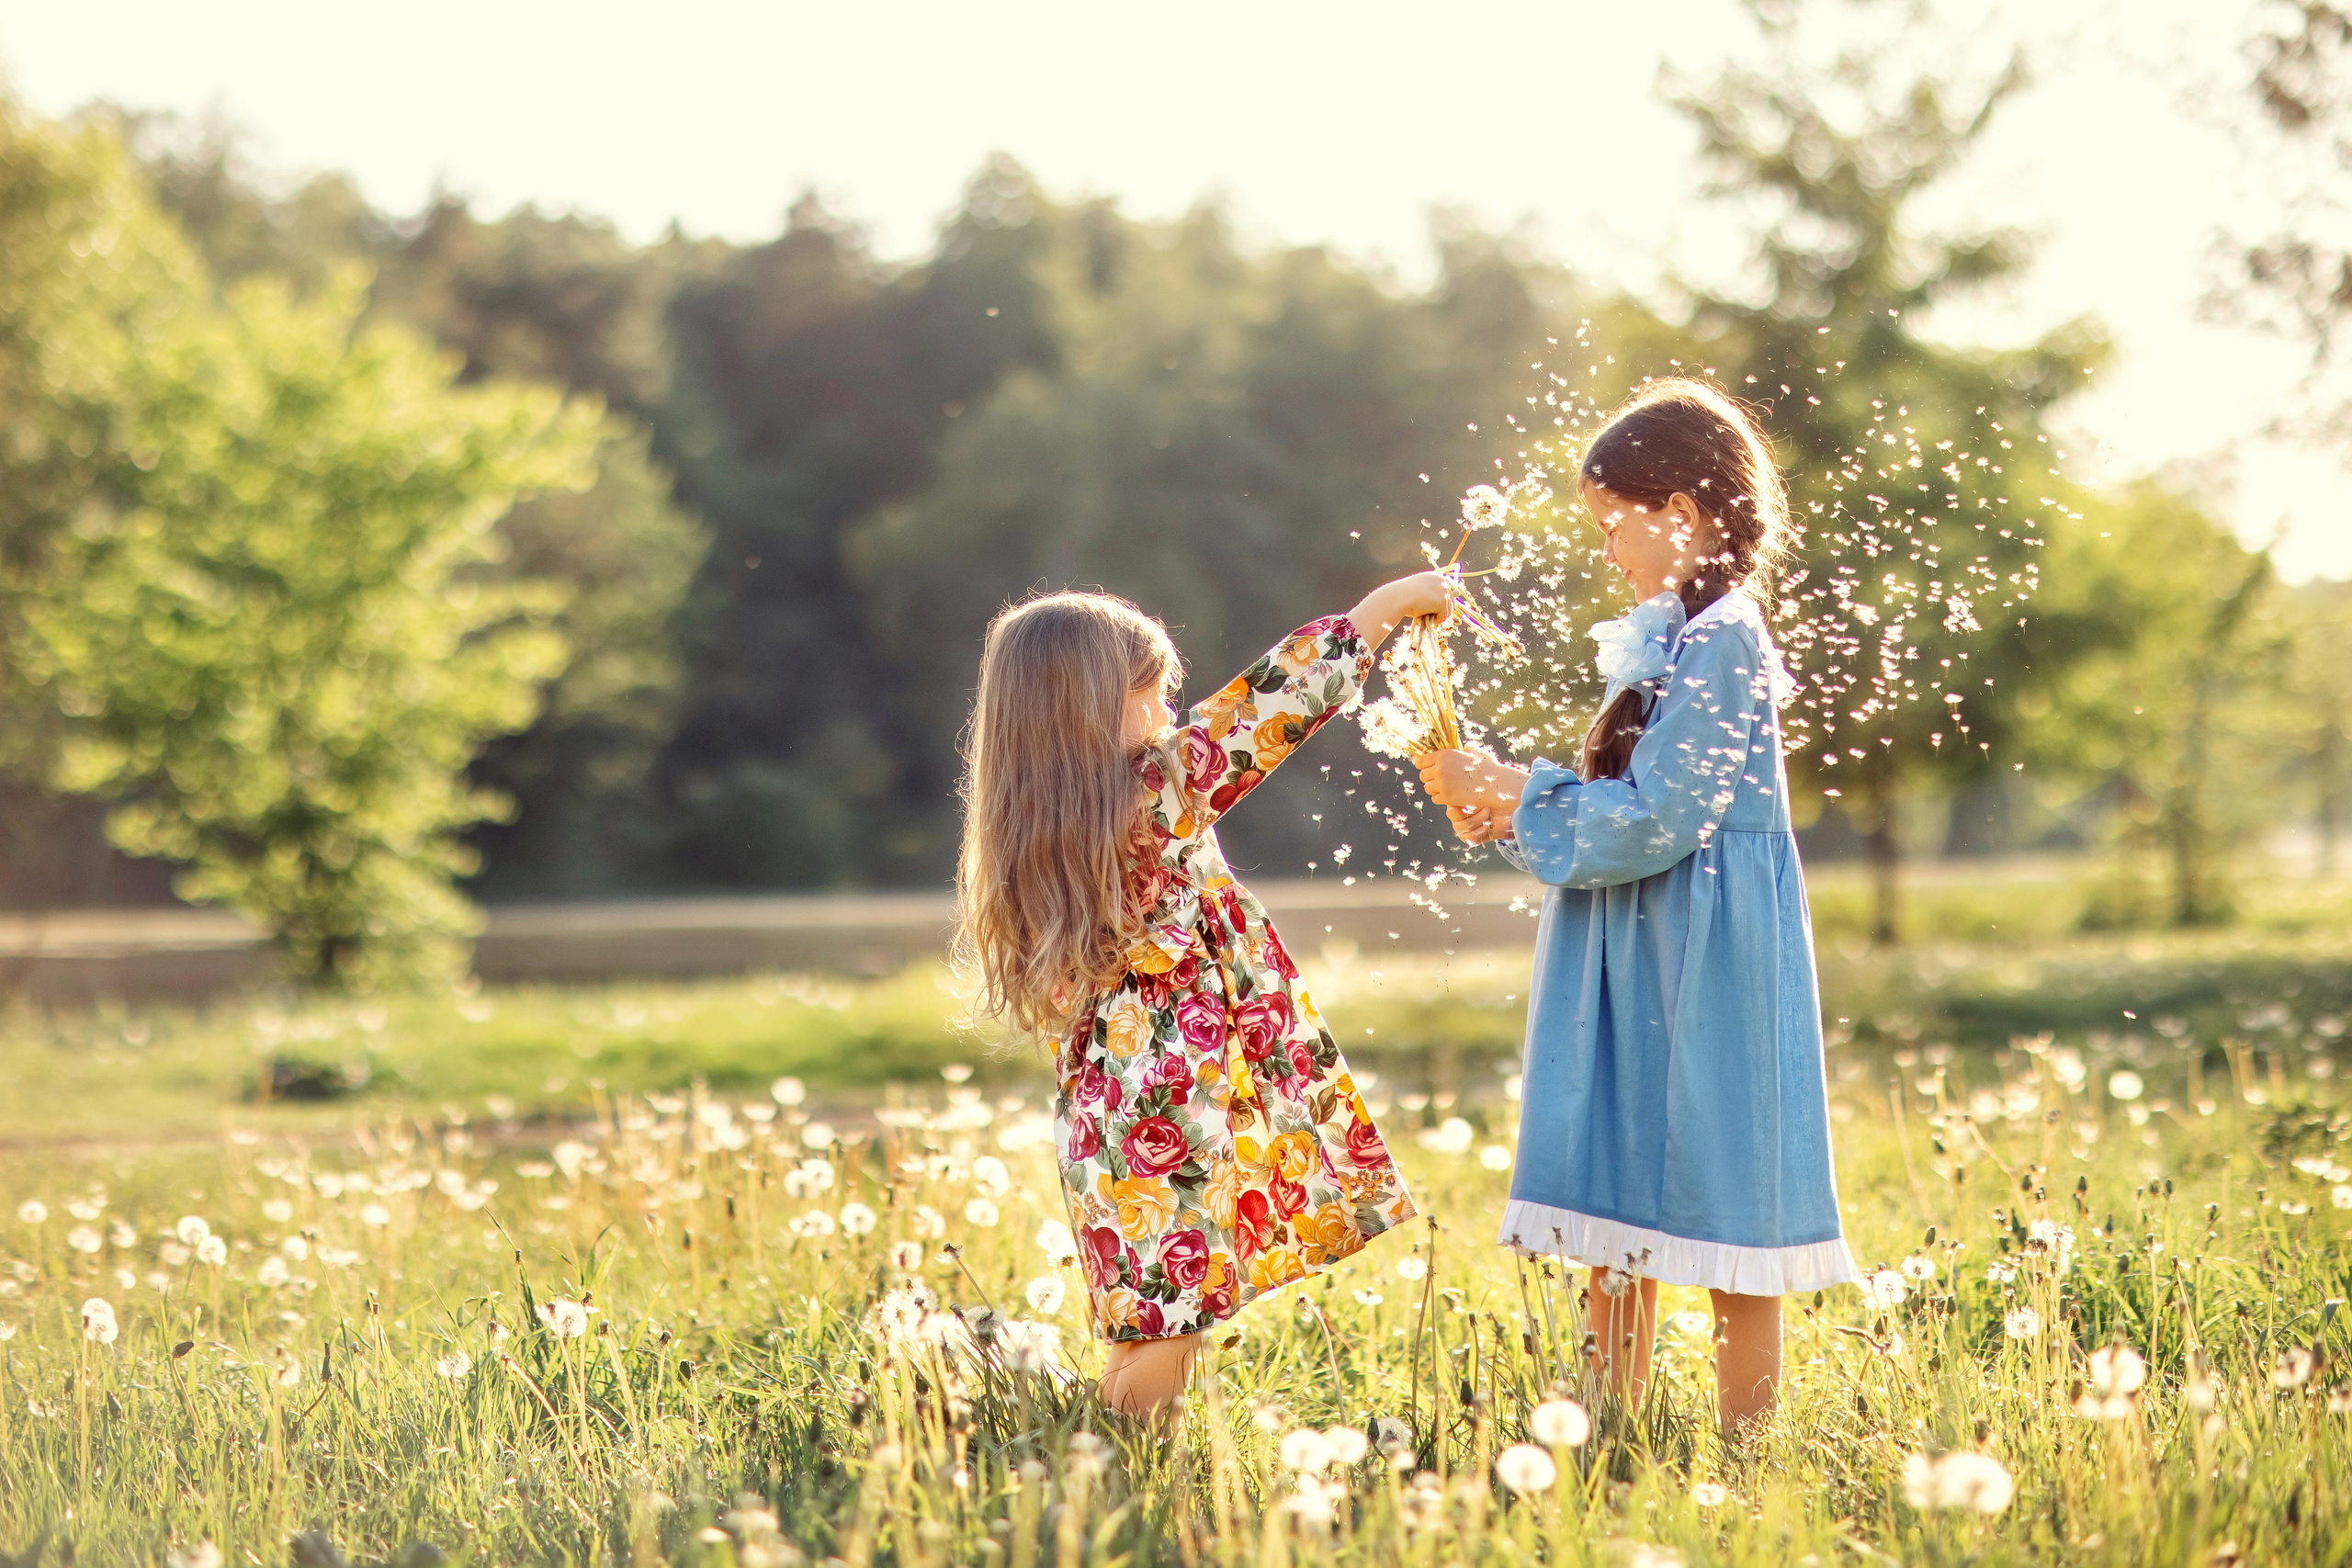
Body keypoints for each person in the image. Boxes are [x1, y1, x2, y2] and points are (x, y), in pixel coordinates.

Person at [1417, 378, 1857, 1431]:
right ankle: (1608, 1423)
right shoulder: (1673, 633)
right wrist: (1517, 814)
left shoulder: (1725, 640)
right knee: (1620, 1189)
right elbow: (1629, 803)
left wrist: (1515, 789)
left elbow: (1663, 815)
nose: (1608, 551)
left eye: (1617, 525)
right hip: (1640, 941)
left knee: (1723, 1188)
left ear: (1686, 514)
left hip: (1703, 951)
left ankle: (1745, 1443)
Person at [954, 573, 1450, 1423]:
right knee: (1172, 1328)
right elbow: (1264, 712)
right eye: (1153, 693)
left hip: (1111, 1113)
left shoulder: (1035, 824)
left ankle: (1092, 1451)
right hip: (1175, 1109)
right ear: (1089, 706)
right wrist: (1377, 615)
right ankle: (1099, 1454)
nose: (1170, 713)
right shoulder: (1156, 791)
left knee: (1151, 1317)